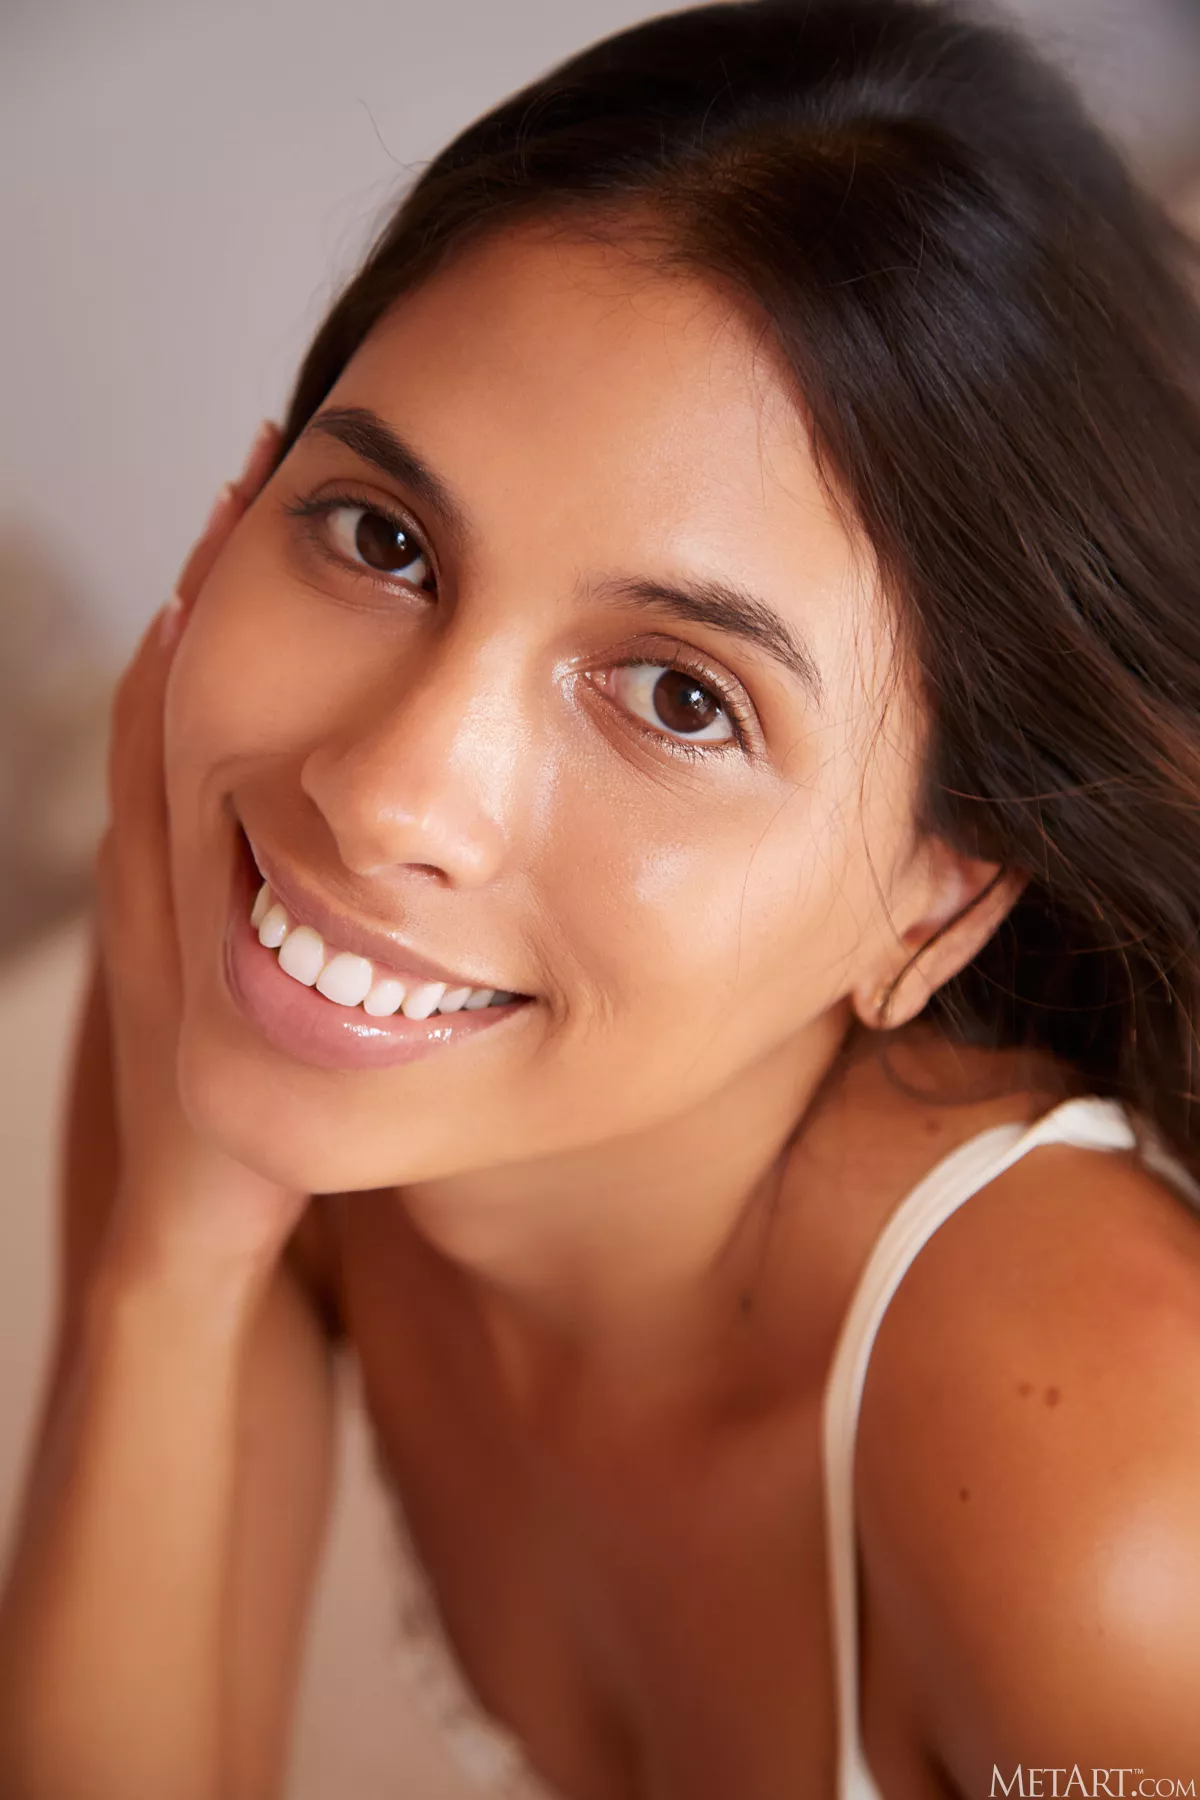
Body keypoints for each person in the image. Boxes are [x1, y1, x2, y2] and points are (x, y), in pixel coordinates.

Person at [3, 0, 1200, 1794]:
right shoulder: (250, 990)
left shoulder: (1110, 1502)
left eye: (680, 698)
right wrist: (174, 1254)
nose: (384, 798)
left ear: (938, 901)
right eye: (382, 539)